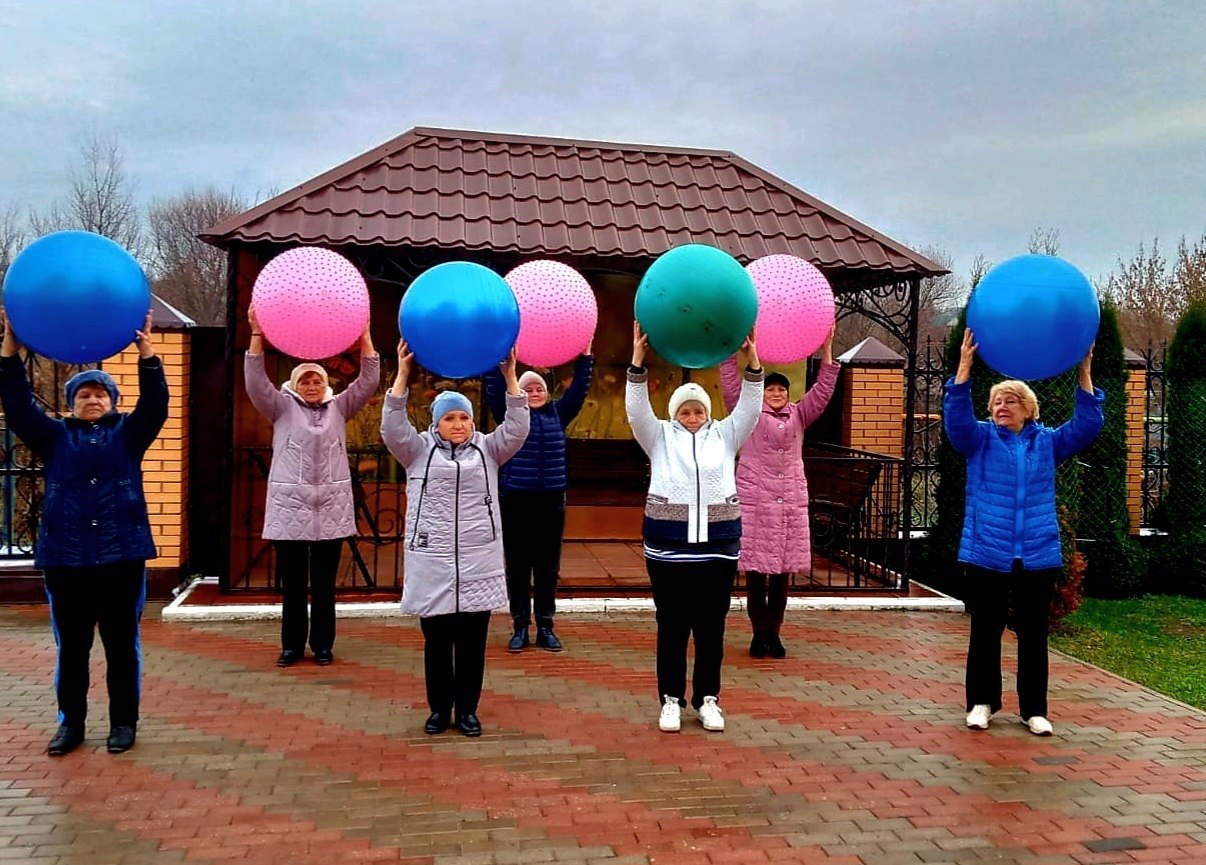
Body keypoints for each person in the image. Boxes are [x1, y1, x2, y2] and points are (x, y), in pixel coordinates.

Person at [0, 312, 167, 756]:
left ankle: (123, 724)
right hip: (66, 560)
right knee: (71, 650)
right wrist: (10, 352)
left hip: (122, 558)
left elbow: (156, 406)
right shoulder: (52, 438)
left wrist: (147, 353)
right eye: (84, 394)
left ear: (112, 401)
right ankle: (70, 724)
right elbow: (17, 406)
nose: (92, 399)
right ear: (72, 402)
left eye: (100, 394)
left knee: (120, 647)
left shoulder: (130, 435)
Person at [945, 329, 1103, 736]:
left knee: (1033, 635)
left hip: (1037, 552)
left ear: (1028, 409)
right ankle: (982, 703)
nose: (1001, 406)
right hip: (986, 551)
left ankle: (1034, 709)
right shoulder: (979, 439)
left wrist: (1084, 370)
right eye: (997, 400)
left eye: (1010, 401)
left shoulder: (1047, 443)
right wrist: (964, 368)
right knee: (985, 631)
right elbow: (957, 422)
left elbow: (1086, 426)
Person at [381, 341, 529, 737]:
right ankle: (438, 709)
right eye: (450, 419)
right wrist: (401, 374)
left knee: (471, 644)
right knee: (436, 642)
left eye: (464, 417)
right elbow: (392, 427)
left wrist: (510, 376)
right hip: (433, 561)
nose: (459, 425)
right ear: (437, 424)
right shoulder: (418, 450)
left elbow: (517, 427)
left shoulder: (488, 450)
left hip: (479, 561)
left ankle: (467, 710)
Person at [626, 322, 763, 733]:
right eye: (685, 410)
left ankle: (708, 699)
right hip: (667, 550)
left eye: (698, 410)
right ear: (674, 414)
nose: (691, 417)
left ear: (708, 412)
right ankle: (670, 699)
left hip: (718, 549)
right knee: (671, 626)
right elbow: (636, 409)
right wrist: (637, 361)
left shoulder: (725, 434)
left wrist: (752, 362)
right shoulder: (658, 437)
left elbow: (751, 407)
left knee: (711, 629)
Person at [244, 306, 379, 668]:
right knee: (292, 586)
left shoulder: (340, 407)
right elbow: (256, 383)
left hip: (330, 510)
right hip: (292, 510)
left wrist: (365, 338)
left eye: (317, 380)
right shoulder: (281, 407)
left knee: (323, 586)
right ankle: (291, 645)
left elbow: (367, 382)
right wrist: (257, 336)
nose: (312, 386)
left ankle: (322, 645)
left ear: (326, 384)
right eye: (305, 380)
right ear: (294, 384)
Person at [720, 331, 838, 659]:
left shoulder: (799, 414)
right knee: (756, 573)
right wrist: (731, 353)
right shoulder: (749, 414)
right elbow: (731, 386)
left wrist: (827, 350)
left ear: (788, 394)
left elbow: (823, 392)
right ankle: (759, 634)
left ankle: (775, 632)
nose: (775, 393)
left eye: (781, 389)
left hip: (789, 505)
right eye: (770, 389)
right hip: (756, 504)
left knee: (782, 576)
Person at [484, 345, 594, 653]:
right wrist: (500, 356)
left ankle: (546, 625)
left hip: (551, 501)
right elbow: (494, 387)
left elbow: (579, 391)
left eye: (539, 388)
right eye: (527, 388)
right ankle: (520, 626)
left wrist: (585, 357)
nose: (534, 392)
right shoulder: (509, 413)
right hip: (516, 500)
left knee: (548, 567)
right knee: (518, 567)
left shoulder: (559, 414)